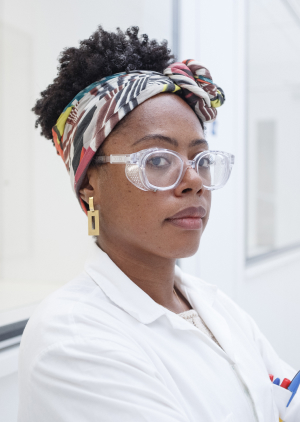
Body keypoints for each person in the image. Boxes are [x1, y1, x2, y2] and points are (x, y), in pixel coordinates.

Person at [18, 26, 299, 422]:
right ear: (90, 187)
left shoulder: (214, 305)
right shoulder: (72, 340)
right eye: (157, 161)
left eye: (200, 159)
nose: (195, 182)